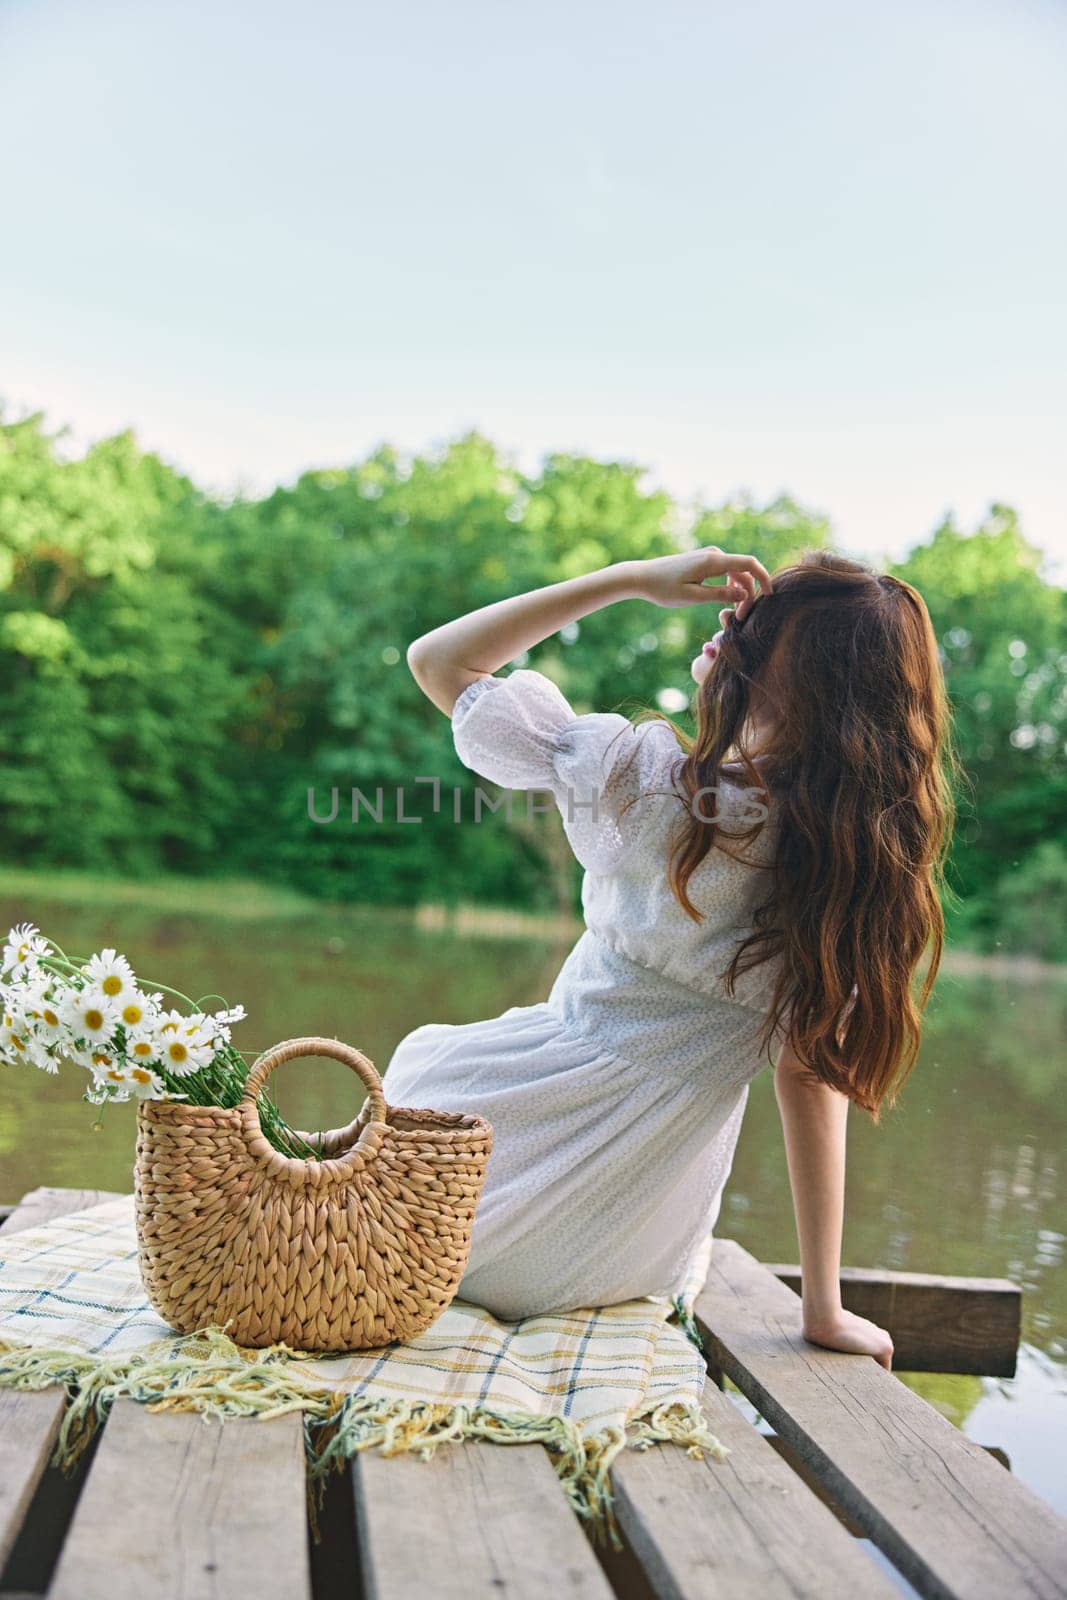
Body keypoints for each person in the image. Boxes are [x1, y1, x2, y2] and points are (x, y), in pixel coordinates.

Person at [384, 547, 953, 1370]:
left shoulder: (648, 782)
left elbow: (437, 661)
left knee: (409, 1084)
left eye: (756, 631)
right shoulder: (848, 873)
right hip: (613, 1250)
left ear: (805, 682)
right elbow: (809, 1080)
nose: (730, 625)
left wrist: (627, 579)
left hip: (481, 1170)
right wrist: (822, 1308)